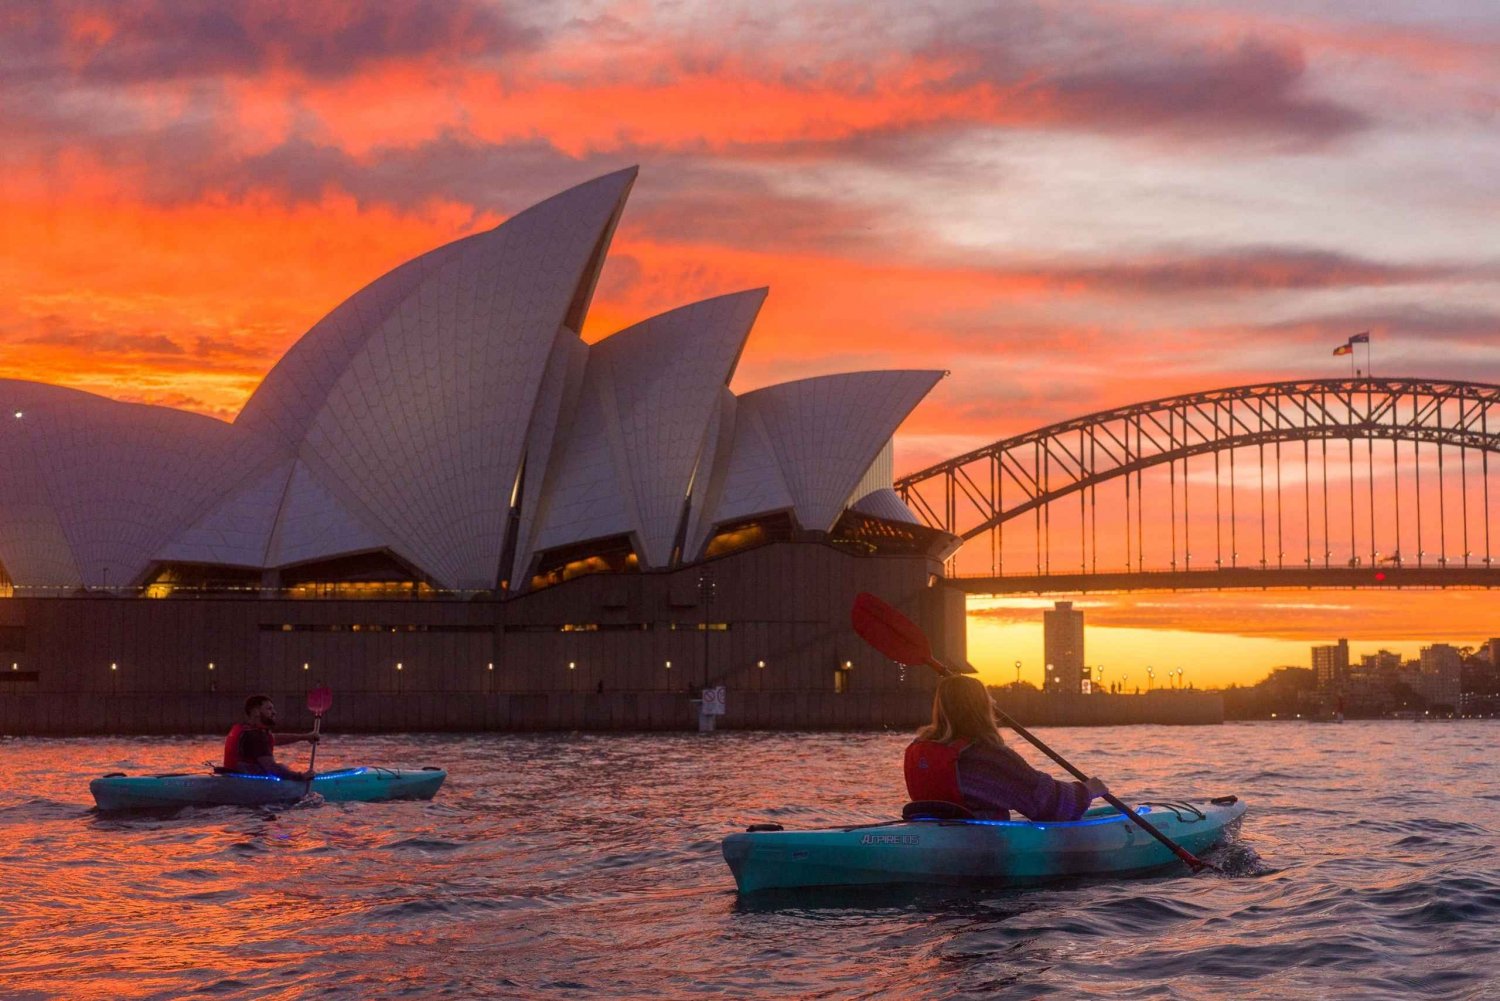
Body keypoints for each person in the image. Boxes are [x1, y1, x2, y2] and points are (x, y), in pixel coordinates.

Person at [905, 675, 1109, 821]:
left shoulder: (918, 749)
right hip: (981, 846)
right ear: (983, 709)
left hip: (928, 832)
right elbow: (1047, 804)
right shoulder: (987, 758)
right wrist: (1087, 791)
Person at [223, 694, 321, 780]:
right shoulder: (256, 736)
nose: (274, 712)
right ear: (256, 712)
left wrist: (305, 737)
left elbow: (273, 739)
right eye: (269, 709)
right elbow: (272, 768)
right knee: (281, 767)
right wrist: (300, 777)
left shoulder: (246, 730)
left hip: (233, 777)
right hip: (247, 784)